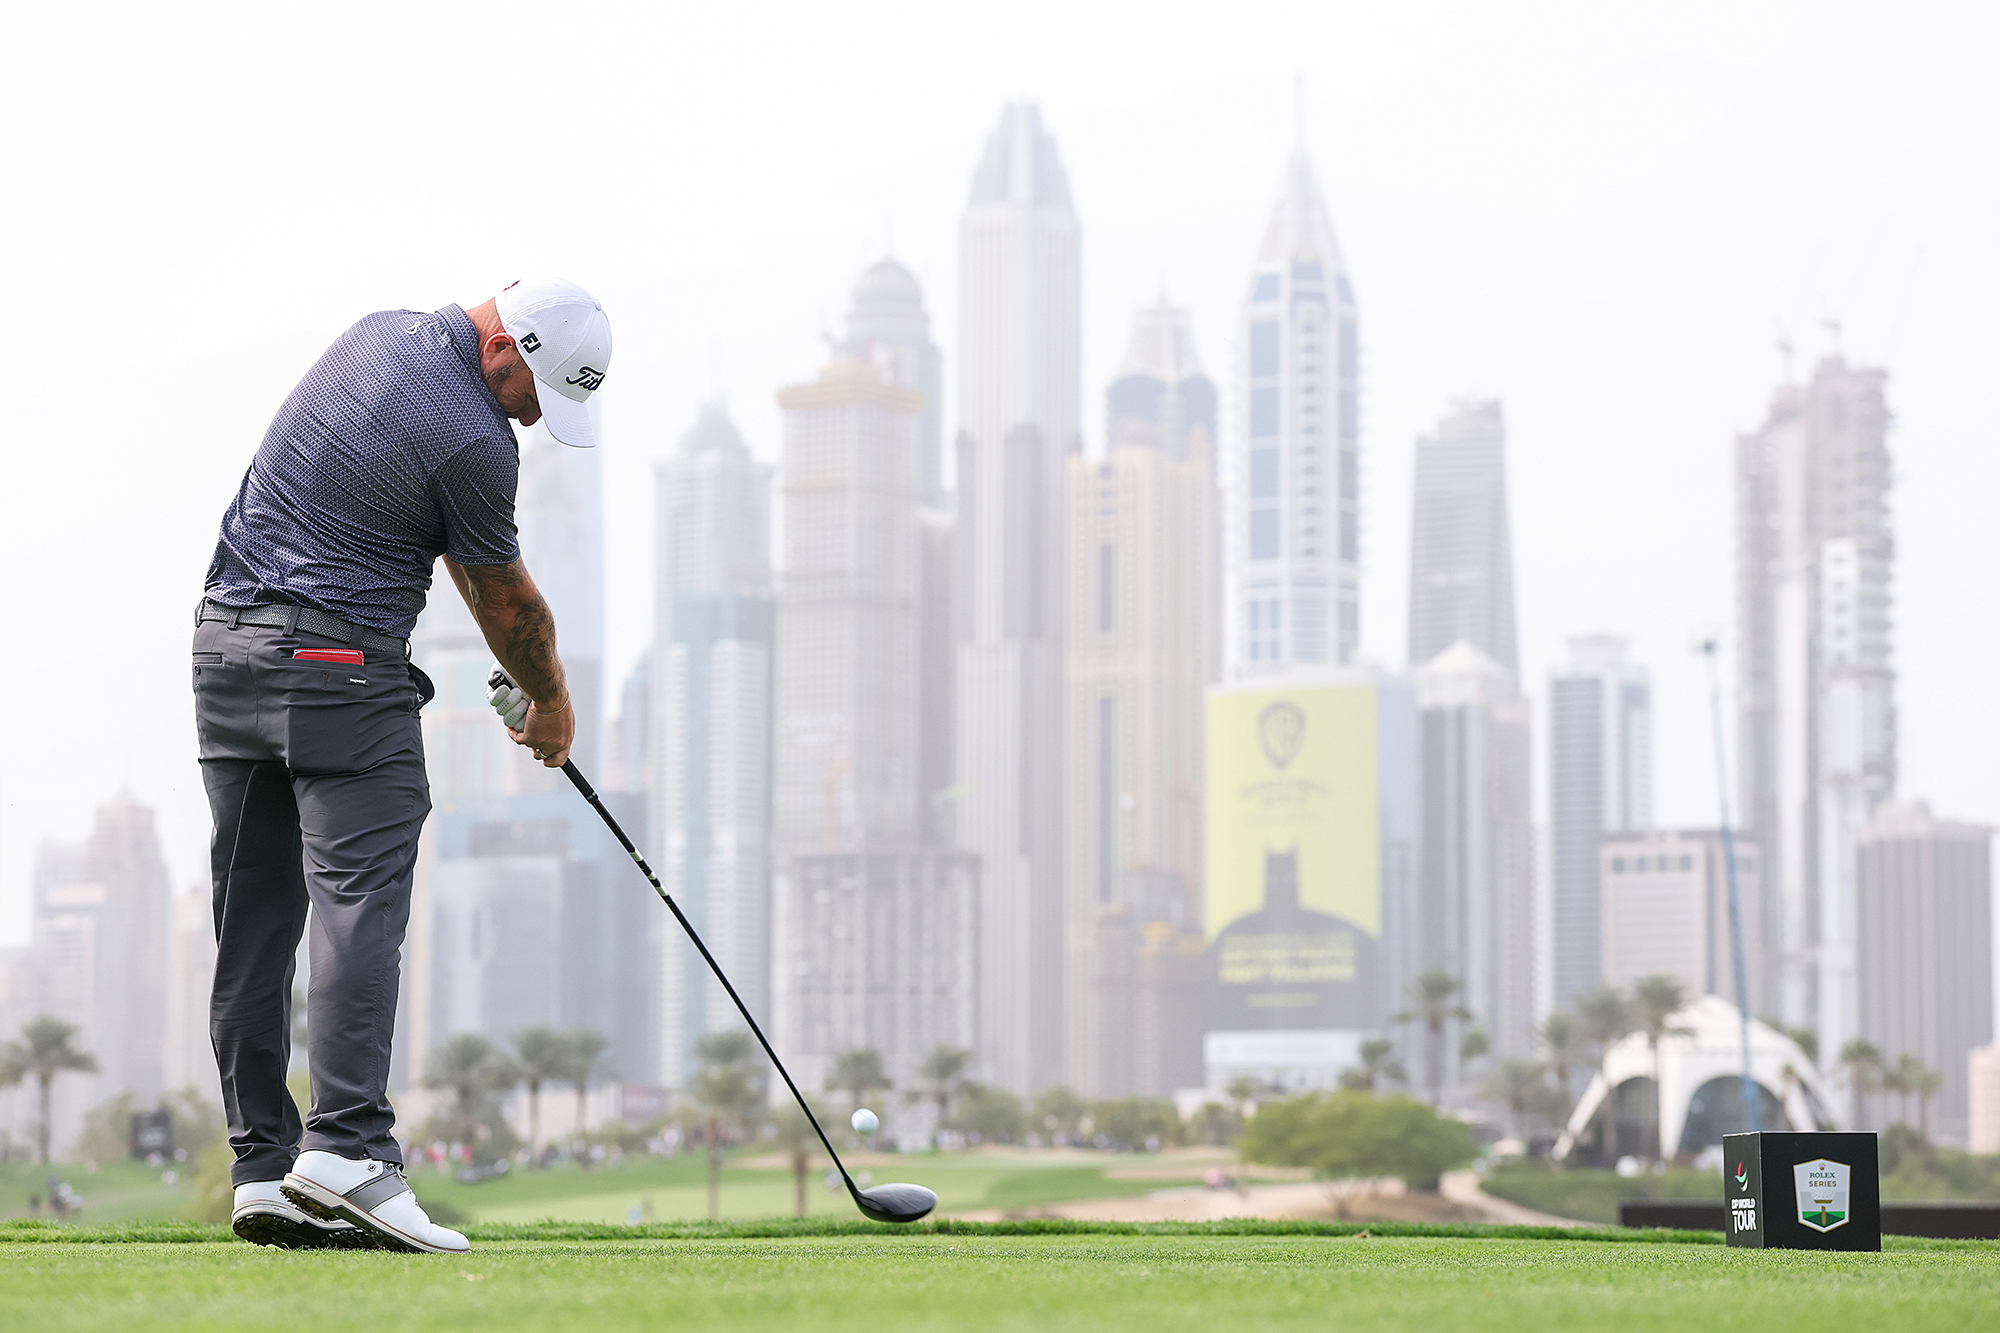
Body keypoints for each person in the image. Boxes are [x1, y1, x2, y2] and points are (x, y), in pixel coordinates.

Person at [193, 279, 611, 1253]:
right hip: (337, 672)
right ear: (506, 347)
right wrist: (551, 702)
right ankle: (348, 1151)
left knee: (252, 923)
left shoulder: (376, 334)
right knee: (358, 902)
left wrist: (520, 677)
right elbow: (508, 603)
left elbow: (460, 557)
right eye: (538, 393)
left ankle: (263, 1169)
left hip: (224, 653)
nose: (534, 417)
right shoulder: (476, 438)